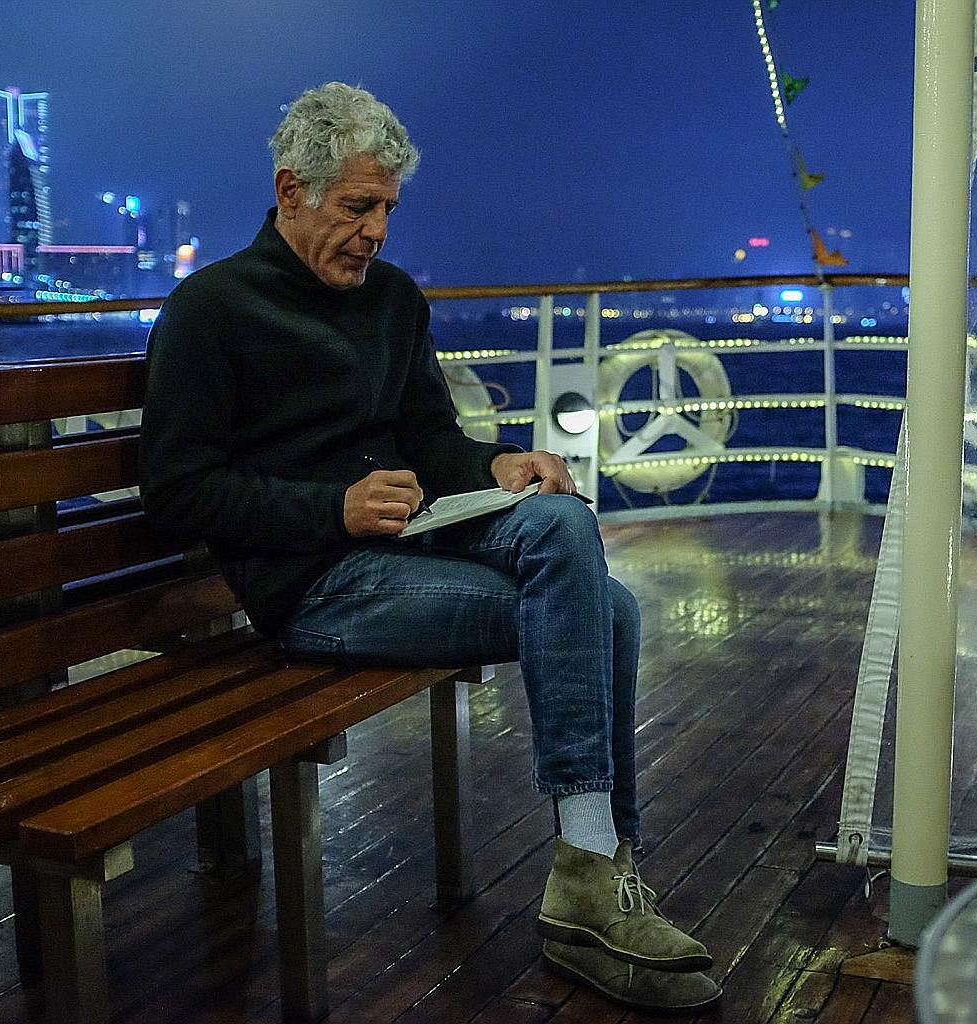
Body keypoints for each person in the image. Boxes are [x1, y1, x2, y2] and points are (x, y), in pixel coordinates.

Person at [138, 82, 719, 1012]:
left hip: (413, 550)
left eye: (387, 210)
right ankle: (594, 877)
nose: (374, 232)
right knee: (604, 608)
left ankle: (591, 864)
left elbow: (430, 438)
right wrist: (333, 509)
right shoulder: (213, 310)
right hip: (315, 589)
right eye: (356, 207)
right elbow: (175, 492)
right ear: (291, 193)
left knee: (570, 534)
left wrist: (500, 463)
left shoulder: (392, 300)